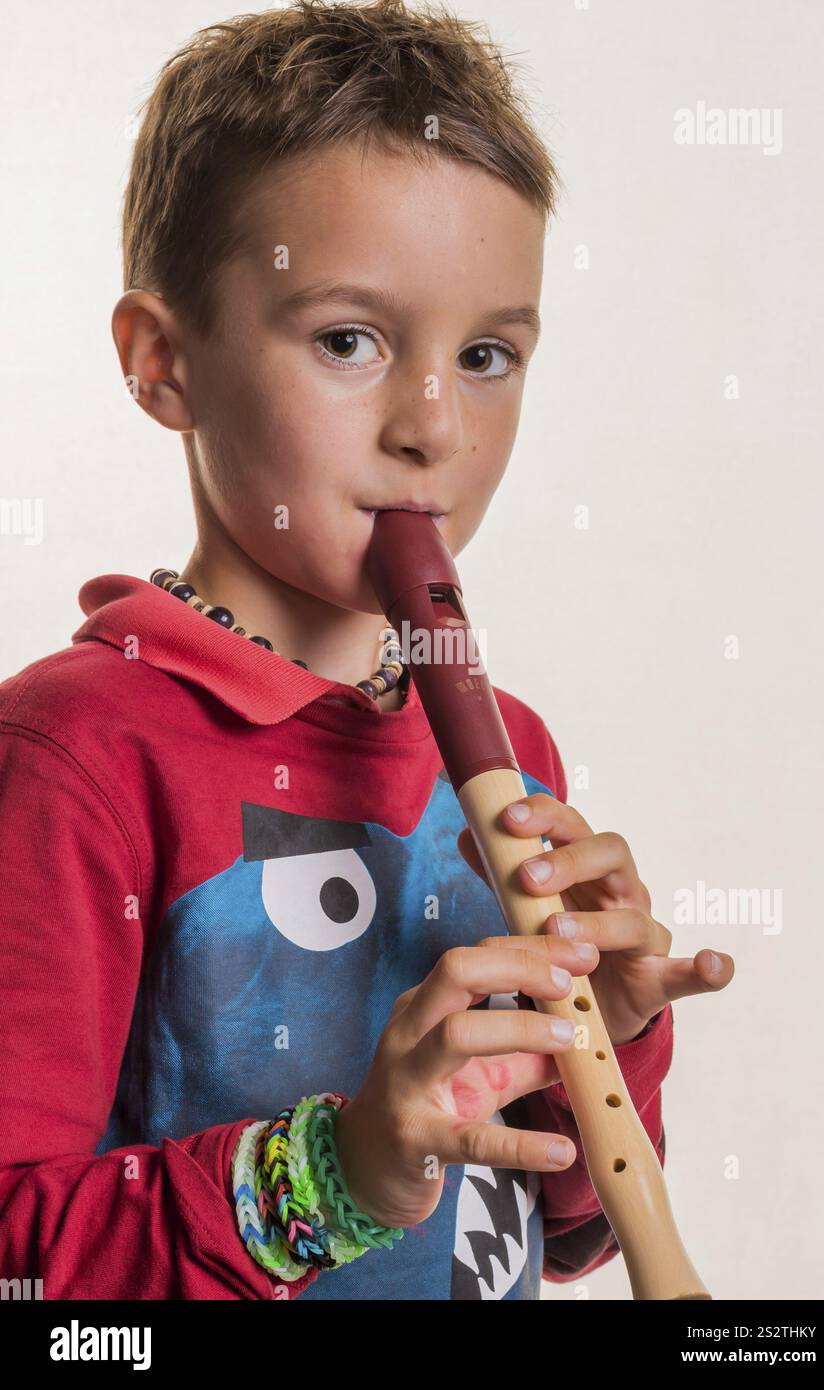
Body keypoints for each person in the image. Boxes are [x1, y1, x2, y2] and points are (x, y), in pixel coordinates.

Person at [0, 0, 733, 1300]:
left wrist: (601, 1045)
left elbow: (566, 1231)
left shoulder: (511, 747)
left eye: (487, 353)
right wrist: (328, 1174)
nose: (432, 425)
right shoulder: (77, 754)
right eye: (350, 339)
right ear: (163, 360)